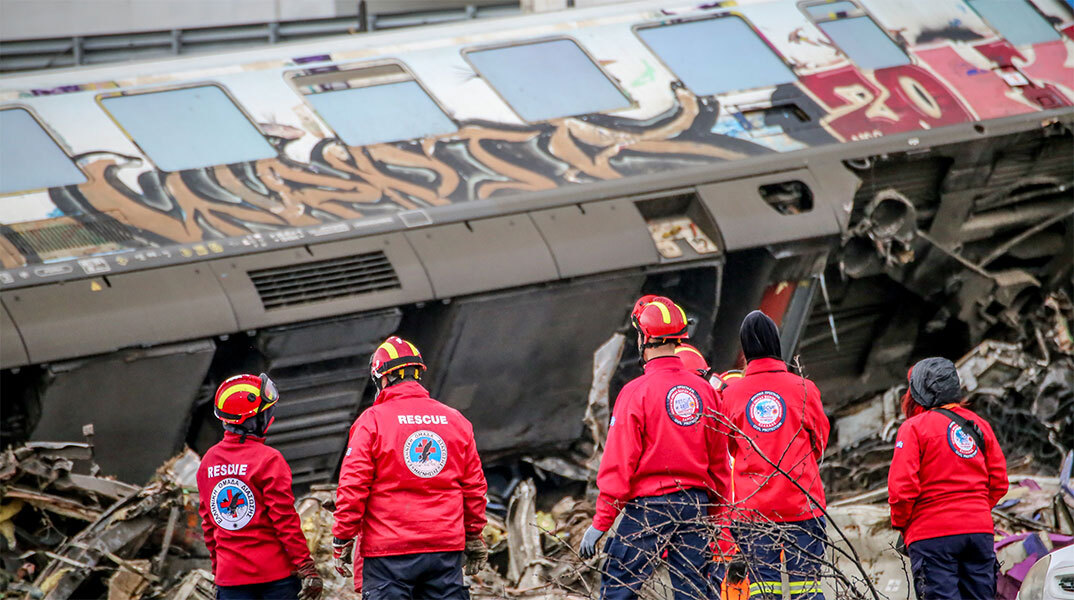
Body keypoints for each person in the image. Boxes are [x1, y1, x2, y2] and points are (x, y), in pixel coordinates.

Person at [579, 296, 730, 600]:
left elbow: (619, 465)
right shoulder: (705, 391)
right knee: (696, 591)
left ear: (644, 337)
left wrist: (601, 522)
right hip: (696, 506)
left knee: (618, 587)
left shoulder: (635, 393)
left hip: (651, 508)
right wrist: (717, 518)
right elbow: (719, 464)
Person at [332, 336, 488, 599]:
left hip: (388, 554)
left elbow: (353, 487)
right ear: (416, 374)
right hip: (444, 551)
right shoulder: (455, 420)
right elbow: (473, 487)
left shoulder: (372, 422)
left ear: (382, 378)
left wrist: (342, 537)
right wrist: (473, 534)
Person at [722, 311, 829, 600]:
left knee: (763, 593)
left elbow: (728, 448)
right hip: (802, 505)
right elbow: (819, 442)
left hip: (753, 510)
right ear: (777, 344)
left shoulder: (731, 395)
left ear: (745, 349)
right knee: (807, 590)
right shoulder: (804, 388)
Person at [888, 357, 1008, 600]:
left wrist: (903, 524)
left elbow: (901, 490)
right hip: (978, 532)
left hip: (931, 535)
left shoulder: (913, 428)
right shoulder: (979, 425)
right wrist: (973, 511)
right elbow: (999, 482)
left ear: (918, 390)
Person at [196, 373, 322, 600]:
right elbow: (285, 520)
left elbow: (209, 526)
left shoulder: (209, 461)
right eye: (265, 412)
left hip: (230, 582)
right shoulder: (269, 460)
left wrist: (218, 572)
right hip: (275, 581)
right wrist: (305, 566)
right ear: (253, 419)